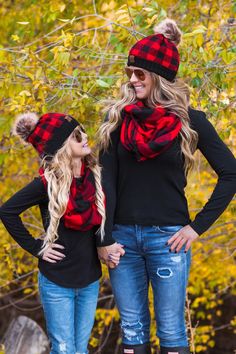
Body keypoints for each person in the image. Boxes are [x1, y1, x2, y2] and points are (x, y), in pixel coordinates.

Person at [97, 19, 236, 354]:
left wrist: (196, 228)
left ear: (158, 77)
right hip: (122, 242)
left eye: (139, 73)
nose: (132, 80)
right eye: (130, 72)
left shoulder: (191, 121)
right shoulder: (116, 121)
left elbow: (231, 173)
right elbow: (105, 184)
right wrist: (104, 239)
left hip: (169, 239)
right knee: (131, 333)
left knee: (172, 332)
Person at [0, 112, 110, 354]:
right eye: (75, 136)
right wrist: (37, 247)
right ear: (60, 147)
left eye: (82, 131)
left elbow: (108, 220)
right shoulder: (46, 183)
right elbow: (7, 211)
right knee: (63, 350)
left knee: (80, 350)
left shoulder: (98, 177)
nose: (84, 138)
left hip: (90, 279)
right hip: (57, 282)